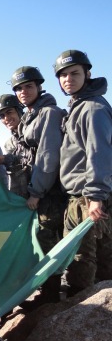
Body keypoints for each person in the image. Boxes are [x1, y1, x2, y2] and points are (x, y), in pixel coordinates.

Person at [0, 66, 67, 308]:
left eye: (28, 86)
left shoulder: (48, 113)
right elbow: (28, 155)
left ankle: (51, 297)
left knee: (47, 241)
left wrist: (36, 193)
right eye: (18, 88)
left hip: (49, 193)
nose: (23, 91)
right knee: (41, 241)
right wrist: (5, 159)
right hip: (41, 190)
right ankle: (48, 293)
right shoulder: (32, 115)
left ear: (39, 86)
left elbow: (48, 157)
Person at [54, 49, 112, 297]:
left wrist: (96, 196)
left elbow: (99, 153)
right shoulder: (79, 106)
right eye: (63, 75)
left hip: (87, 197)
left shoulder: (92, 109)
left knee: (81, 259)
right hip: (80, 195)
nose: (68, 79)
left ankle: (82, 311)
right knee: (94, 256)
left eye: (74, 73)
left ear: (87, 74)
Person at [0, 94, 26, 196]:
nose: (6, 118)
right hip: (23, 199)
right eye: (2, 116)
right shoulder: (9, 144)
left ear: (19, 111)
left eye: (9, 112)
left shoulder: (34, 133)